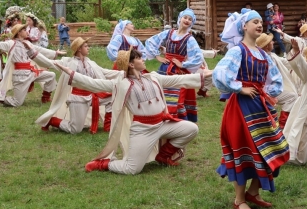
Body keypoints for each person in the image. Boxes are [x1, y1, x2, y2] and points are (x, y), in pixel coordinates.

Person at [58, 49, 208, 174]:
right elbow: (95, 84)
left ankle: (163, 156)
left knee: (191, 129)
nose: (143, 60)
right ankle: (104, 164)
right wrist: (71, 73)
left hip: (163, 124)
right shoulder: (121, 84)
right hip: (143, 130)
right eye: (139, 58)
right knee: (132, 169)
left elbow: (179, 80)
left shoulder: (153, 77)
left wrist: (208, 74)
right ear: (131, 64)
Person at [213, 10, 290, 209]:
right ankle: (239, 199)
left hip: (260, 105)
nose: (259, 25)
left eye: (260, 22)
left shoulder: (264, 54)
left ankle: (253, 193)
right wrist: (239, 87)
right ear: (244, 27)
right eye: (254, 22)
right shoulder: (238, 51)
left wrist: (267, 94)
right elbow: (220, 73)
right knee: (245, 149)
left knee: (271, 148)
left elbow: (275, 81)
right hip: (241, 108)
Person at [144, 9, 216, 122]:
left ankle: (177, 122)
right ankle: (161, 119)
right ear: (180, 18)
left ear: (192, 23)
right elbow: (151, 41)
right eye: (185, 17)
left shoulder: (189, 39)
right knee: (161, 95)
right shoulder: (169, 32)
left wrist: (183, 64)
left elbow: (198, 57)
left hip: (179, 72)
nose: (187, 20)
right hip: (164, 69)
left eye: (190, 19)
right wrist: (157, 56)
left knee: (177, 99)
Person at [37, 37, 121, 134]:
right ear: (79, 49)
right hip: (78, 97)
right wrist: (32, 52)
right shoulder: (68, 62)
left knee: (112, 97)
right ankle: (52, 121)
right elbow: (49, 63)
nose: (88, 48)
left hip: (94, 95)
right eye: (86, 46)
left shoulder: (90, 63)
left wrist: (123, 74)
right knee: (75, 130)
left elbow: (105, 72)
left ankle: (108, 126)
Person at [0, 23, 62, 107]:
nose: (27, 31)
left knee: (51, 75)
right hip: (20, 76)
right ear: (19, 33)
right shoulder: (11, 43)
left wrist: (55, 53)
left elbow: (39, 49)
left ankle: (45, 98)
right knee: (17, 103)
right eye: (24, 30)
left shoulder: (27, 43)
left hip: (31, 71)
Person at [255, 33, 298, 133]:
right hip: (268, 90)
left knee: (293, 96)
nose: (273, 42)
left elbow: (286, 62)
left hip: (274, 87)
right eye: (271, 41)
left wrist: (302, 60)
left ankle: (284, 125)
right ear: (266, 46)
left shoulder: (272, 55)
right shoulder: (264, 58)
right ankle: (282, 126)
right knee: (292, 97)